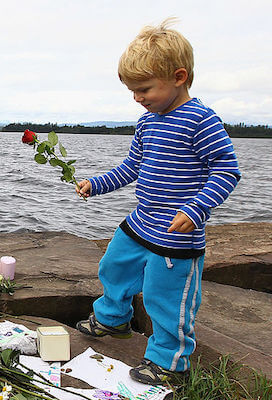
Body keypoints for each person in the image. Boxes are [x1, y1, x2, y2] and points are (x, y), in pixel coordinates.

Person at [74, 18, 241, 386]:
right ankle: (113, 319)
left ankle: (169, 362)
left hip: (178, 232)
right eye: (132, 90)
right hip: (142, 220)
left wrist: (195, 209)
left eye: (145, 88)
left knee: (167, 300)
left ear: (179, 76)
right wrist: (96, 184)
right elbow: (133, 166)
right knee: (114, 266)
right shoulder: (147, 121)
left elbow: (227, 170)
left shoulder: (201, 120)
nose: (137, 97)